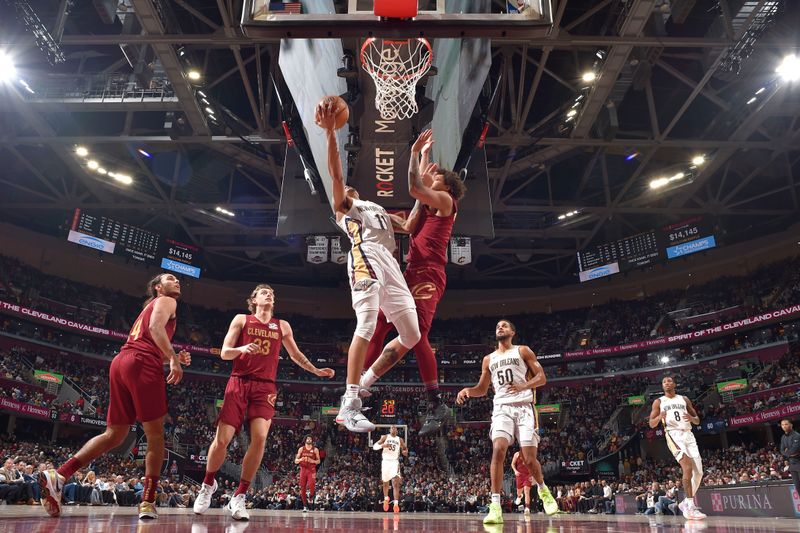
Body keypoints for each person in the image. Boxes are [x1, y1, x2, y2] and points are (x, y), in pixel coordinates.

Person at [39, 273, 191, 520]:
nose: (177, 281)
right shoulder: (166, 301)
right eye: (170, 278)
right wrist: (173, 359)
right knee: (155, 435)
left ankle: (60, 474)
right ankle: (148, 501)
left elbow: (148, 345)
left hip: (121, 363)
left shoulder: (149, 308)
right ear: (157, 287)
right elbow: (154, 329)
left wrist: (170, 357)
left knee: (115, 434)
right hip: (140, 363)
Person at [316, 100, 420, 432]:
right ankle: (350, 404)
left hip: (391, 264)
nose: (345, 188)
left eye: (348, 188)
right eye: (341, 190)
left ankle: (365, 380)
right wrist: (332, 133)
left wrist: (423, 178)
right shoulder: (347, 208)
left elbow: (412, 224)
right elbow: (335, 173)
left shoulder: (375, 207)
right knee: (366, 326)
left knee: (412, 334)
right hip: (366, 256)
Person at [193, 284, 334, 521]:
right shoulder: (242, 319)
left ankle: (239, 496)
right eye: (264, 293)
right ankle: (208, 484)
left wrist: (316, 371)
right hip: (239, 381)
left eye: (272, 293)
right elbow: (224, 352)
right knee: (222, 440)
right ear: (254, 300)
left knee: (259, 438)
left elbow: (296, 355)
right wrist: (241, 348)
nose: (269, 295)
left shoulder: (282, 325)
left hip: (265, 386)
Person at [359, 129, 467, 436]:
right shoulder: (424, 211)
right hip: (410, 273)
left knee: (416, 335)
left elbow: (415, 185)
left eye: (437, 178)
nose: (432, 178)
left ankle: (436, 403)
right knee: (380, 321)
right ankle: (360, 386)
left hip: (429, 275)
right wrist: (361, 213)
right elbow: (406, 217)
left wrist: (416, 152)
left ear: (445, 187)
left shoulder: (446, 201)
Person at [456, 319, 558, 524]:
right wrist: (468, 391)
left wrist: (524, 386)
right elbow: (482, 389)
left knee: (529, 459)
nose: (499, 327)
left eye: (504, 326)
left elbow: (542, 377)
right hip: (502, 409)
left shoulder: (523, 351)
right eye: (497, 326)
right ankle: (495, 506)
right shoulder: (488, 359)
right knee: (498, 450)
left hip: (524, 408)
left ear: (513, 332)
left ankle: (543, 490)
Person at [648, 376, 706, 520]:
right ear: (662, 386)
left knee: (699, 473)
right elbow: (651, 424)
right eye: (664, 382)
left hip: (689, 435)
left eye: (669, 381)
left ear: (674, 384)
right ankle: (691, 506)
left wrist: (691, 418)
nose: (667, 383)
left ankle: (685, 503)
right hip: (674, 435)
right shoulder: (659, 402)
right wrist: (659, 416)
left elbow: (697, 420)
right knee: (687, 469)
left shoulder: (684, 399)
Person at [372, 425, 408, 513]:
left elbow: (405, 449)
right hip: (385, 462)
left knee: (395, 482)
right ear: (390, 429)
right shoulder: (385, 437)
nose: (393, 429)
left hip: (394, 462)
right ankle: (386, 499)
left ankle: (396, 503)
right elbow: (374, 446)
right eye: (392, 428)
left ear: (397, 430)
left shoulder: (400, 439)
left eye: (395, 428)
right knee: (385, 482)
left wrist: (405, 452)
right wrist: (383, 445)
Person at [295, 435, 321, 513]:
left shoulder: (315, 449)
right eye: (308, 438)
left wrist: (312, 461)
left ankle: (312, 495)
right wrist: (301, 459)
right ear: (305, 440)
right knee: (302, 487)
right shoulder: (301, 449)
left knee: (311, 484)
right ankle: (305, 506)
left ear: (312, 441)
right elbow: (295, 460)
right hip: (303, 469)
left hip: (311, 469)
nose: (309, 440)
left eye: (310, 439)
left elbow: (318, 461)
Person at [779, 419, 800, 496]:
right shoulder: (783, 437)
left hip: (799, 462)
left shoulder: (797, 436)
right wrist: (788, 453)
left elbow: (794, 450)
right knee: (798, 488)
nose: (784, 426)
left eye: (786, 424)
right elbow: (781, 450)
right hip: (791, 464)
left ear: (791, 425)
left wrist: (787, 452)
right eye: (782, 425)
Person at [511, 450, 532, 516]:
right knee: (519, 492)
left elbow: (533, 465)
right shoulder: (517, 454)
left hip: (527, 475)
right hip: (519, 475)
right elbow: (512, 464)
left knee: (526, 490)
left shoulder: (530, 454)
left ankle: (527, 508)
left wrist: (532, 475)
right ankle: (519, 496)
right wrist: (515, 471)